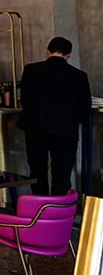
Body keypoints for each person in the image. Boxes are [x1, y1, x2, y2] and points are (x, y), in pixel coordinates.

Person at [17, 36, 91, 195]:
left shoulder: (31, 70)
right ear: (69, 55)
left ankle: (40, 210)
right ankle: (58, 213)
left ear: (47, 51)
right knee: (62, 173)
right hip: (65, 129)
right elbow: (85, 107)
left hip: (35, 127)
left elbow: (25, 99)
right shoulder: (79, 75)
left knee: (37, 171)